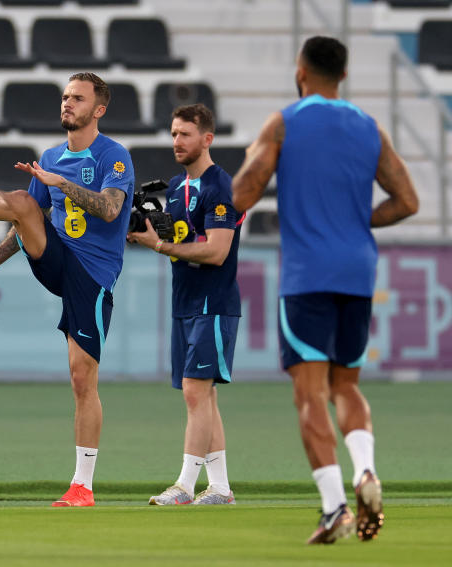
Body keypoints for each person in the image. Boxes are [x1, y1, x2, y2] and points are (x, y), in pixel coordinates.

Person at [232, 36, 418, 544]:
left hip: (307, 274)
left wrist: (254, 156)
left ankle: (335, 506)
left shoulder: (285, 123)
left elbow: (244, 193)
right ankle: (365, 470)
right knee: (347, 385)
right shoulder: (369, 127)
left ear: (300, 70)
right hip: (358, 271)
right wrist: (358, 221)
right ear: (344, 74)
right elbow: (407, 201)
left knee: (309, 392)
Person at [0, 73, 134, 507]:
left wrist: (59, 183)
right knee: (27, 205)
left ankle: (82, 487)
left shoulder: (114, 156)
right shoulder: (50, 155)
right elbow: (25, 218)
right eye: (66, 97)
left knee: (81, 378)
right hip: (55, 261)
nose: (68, 103)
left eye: (78, 98)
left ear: (98, 109)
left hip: (92, 277)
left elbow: (110, 209)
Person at [127, 104, 241, 507]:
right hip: (185, 301)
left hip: (213, 302)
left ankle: (185, 485)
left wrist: (158, 244)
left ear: (207, 139)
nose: (177, 141)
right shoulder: (175, 187)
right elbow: (176, 237)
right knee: (202, 395)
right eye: (174, 133)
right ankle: (221, 488)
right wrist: (140, 231)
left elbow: (217, 251)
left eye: (185, 134)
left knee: (195, 390)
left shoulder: (220, 186)